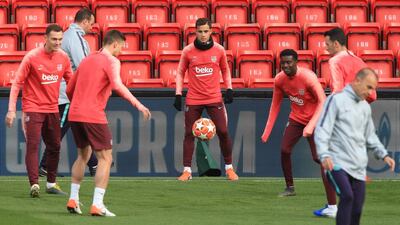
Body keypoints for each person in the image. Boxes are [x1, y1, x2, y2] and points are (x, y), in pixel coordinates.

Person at [65, 30, 151, 216]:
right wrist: (139, 105)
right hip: (93, 114)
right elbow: (117, 85)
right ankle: (97, 204)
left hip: (75, 113)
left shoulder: (87, 60)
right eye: (121, 47)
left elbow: (70, 88)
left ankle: (73, 199)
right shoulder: (112, 61)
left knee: (83, 156)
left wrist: (78, 103)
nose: (121, 51)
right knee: (106, 158)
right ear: (114, 44)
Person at [260, 49, 337, 217]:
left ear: (296, 62)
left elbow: (323, 101)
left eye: (289, 62)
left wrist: (310, 126)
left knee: (318, 158)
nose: (286, 66)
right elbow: (275, 105)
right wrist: (267, 130)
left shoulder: (308, 78)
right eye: (283, 63)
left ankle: (340, 179)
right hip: (296, 119)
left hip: (316, 120)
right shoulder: (280, 79)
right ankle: (290, 187)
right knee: (284, 150)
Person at [314, 68, 395, 225]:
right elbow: (322, 129)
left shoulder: (365, 107)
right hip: (336, 164)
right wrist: (324, 154)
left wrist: (383, 154)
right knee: (347, 196)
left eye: (374, 89)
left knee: (357, 209)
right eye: (369, 87)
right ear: (357, 81)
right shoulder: (336, 100)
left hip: (358, 167)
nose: (371, 92)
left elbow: (370, 135)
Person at [5, 24, 72, 197]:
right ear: (45, 38)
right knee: (33, 146)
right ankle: (34, 184)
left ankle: (51, 184)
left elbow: (71, 82)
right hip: (33, 108)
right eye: (54, 39)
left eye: (60, 39)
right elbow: (17, 83)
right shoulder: (32, 57)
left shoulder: (63, 58)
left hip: (52, 108)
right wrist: (12, 110)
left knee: (55, 146)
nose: (57, 42)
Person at [174, 17, 238, 181]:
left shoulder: (219, 50)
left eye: (206, 31)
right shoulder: (188, 51)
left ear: (211, 32)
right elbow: (180, 72)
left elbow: (225, 70)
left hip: (214, 97)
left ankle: (229, 169)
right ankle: (187, 171)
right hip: (193, 98)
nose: (203, 35)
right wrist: (178, 93)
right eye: (200, 31)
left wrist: (229, 88)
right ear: (195, 32)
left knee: (223, 132)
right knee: (189, 133)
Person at [38, 8, 98, 177]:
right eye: (91, 24)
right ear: (84, 21)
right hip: (69, 93)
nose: (92, 27)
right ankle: (44, 165)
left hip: (67, 91)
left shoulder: (69, 36)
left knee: (79, 127)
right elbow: (84, 65)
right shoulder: (75, 37)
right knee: (60, 130)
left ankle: (94, 164)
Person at [324, 27, 376, 102]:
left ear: (336, 44)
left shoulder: (335, 61)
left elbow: (337, 92)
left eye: (327, 44)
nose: (326, 48)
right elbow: (372, 95)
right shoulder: (359, 61)